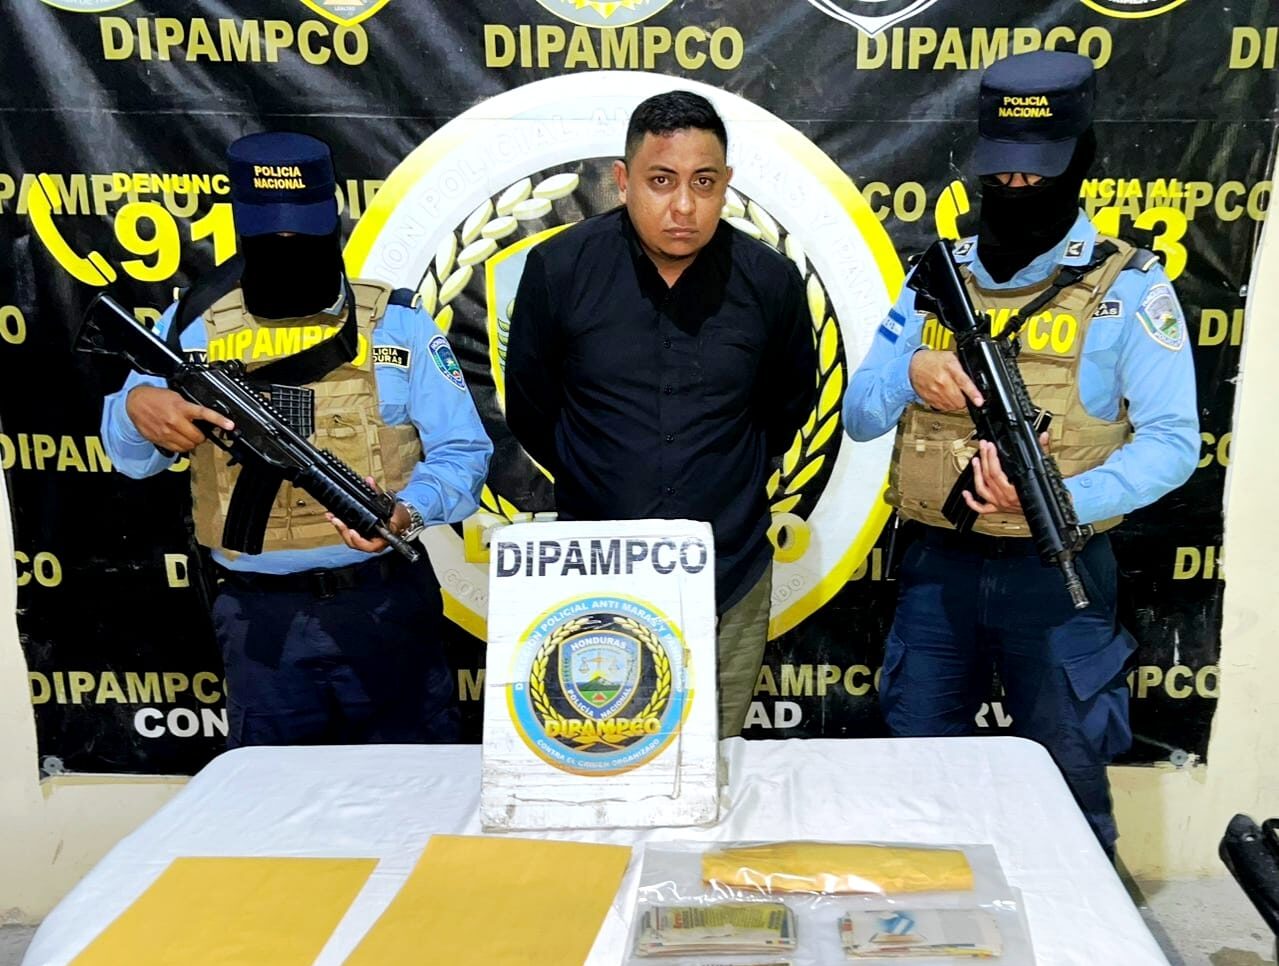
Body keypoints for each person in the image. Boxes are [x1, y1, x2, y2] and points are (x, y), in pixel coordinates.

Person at [843, 51, 1198, 854]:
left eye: (1037, 172)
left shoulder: (1128, 289)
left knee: (1068, 792)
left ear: (1079, 159)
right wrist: (908, 372)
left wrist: (1058, 501)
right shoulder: (934, 279)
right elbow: (859, 416)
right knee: (917, 783)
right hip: (938, 570)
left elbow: (1174, 445)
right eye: (1000, 172)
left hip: (1057, 578)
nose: (1015, 187)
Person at [101, 132, 492, 748]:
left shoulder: (396, 323)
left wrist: (408, 510)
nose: (287, 248)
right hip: (261, 625)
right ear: (239, 226)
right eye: (268, 237)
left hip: (383, 607)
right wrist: (135, 409)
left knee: (412, 792)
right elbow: (130, 461)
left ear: (332, 219)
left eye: (303, 234)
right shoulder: (191, 327)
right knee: (271, 802)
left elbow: (464, 454)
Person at [505, 91, 817, 738]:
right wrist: (604, 477)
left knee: (716, 764)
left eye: (703, 183)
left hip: (728, 571)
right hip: (594, 574)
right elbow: (533, 410)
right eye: (661, 181)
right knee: (601, 757)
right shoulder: (559, 270)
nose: (683, 206)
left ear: (726, 184)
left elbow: (786, 405)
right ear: (622, 182)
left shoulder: (769, 281)